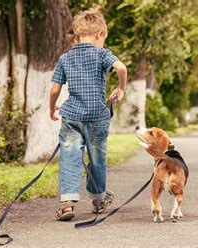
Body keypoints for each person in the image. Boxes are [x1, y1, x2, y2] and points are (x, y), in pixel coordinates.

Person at [49, 8, 127, 221]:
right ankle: (99, 200)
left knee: (69, 157)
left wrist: (52, 107)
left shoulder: (65, 58)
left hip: (72, 117)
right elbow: (121, 68)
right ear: (99, 33)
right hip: (97, 118)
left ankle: (67, 204)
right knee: (97, 159)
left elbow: (55, 89)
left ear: (77, 34)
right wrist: (120, 89)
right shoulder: (102, 53)